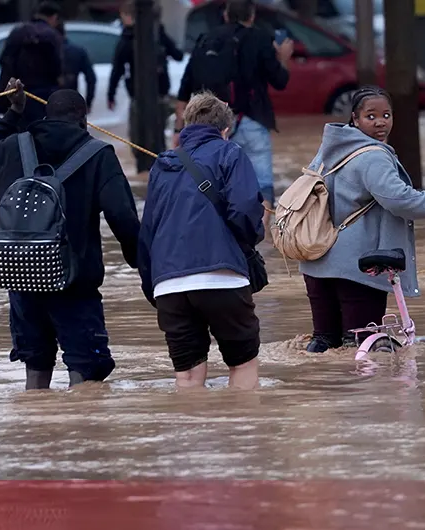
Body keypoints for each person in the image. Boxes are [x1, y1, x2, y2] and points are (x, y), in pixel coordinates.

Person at [0, 78, 141, 390]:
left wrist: (13, 113)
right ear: (84, 119)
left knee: (36, 365)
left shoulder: (13, 146)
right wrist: (141, 263)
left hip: (22, 278)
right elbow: (122, 217)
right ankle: (78, 434)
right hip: (74, 284)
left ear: (46, 116)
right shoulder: (98, 154)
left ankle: (39, 430)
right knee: (86, 371)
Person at [298, 87, 425, 353]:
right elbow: (400, 199)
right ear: (355, 119)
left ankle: (320, 393)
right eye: (370, 116)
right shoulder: (373, 155)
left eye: (386, 115)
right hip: (358, 268)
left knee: (324, 347)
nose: (380, 122)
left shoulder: (328, 151)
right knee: (363, 348)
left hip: (316, 262)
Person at [138, 91, 265, 390]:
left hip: (169, 285)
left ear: (186, 124)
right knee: (242, 365)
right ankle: (245, 435)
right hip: (222, 279)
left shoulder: (162, 164)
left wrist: (153, 286)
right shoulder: (230, 153)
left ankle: (192, 432)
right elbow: (244, 211)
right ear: (225, 130)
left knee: (188, 377)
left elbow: (148, 231)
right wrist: (250, 242)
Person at [175, 0, 291, 233]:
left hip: (211, 125)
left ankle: (218, 236)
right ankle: (258, 240)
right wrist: (283, 58)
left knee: (215, 182)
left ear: (226, 15)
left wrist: (179, 131)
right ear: (252, 15)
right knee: (261, 183)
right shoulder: (260, 39)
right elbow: (280, 81)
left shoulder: (205, 39)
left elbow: (184, 90)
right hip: (251, 119)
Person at [107, 0, 184, 177]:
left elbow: (178, 55)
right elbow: (118, 68)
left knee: (148, 136)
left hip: (153, 96)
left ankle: (154, 169)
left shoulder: (148, 37)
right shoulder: (131, 40)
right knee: (146, 137)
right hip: (147, 96)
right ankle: (153, 169)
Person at [0, 2, 63, 123]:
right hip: (43, 95)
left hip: (18, 93)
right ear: (54, 17)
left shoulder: (17, 32)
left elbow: (5, 60)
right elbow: (57, 67)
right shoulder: (51, 35)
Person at [55, 21, 95, 112]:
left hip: (48, 102)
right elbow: (91, 78)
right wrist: (88, 102)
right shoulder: (78, 51)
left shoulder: (45, 52)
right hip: (72, 101)